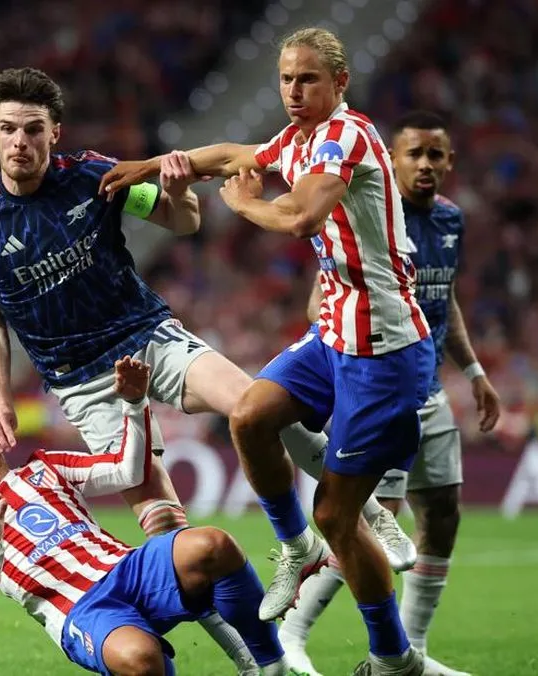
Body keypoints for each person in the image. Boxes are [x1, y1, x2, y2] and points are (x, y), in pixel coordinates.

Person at [0, 66, 368, 644]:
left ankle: (362, 517)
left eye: (34, 129)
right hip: (83, 383)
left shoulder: (97, 175)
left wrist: (173, 190)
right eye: (10, 129)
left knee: (257, 405)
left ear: (54, 132)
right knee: (168, 534)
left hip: (148, 336)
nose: (22, 141)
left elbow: (186, 219)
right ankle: (260, 658)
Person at [100, 27, 432, 675]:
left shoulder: (345, 136)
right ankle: (295, 547)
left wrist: (247, 203)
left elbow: (301, 216)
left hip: (383, 351)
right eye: (285, 78)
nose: (293, 90)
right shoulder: (300, 138)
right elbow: (233, 153)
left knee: (338, 514)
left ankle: (393, 657)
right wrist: (152, 165)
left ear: (340, 83)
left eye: (307, 78)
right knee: (250, 415)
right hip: (335, 332)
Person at [279, 111, 501, 676]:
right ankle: (292, 632)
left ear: (449, 162)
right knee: (365, 519)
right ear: (391, 159)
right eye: (414, 154)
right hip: (380, 383)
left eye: (435, 155)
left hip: (431, 385)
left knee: (443, 512)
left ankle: (414, 650)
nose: (425, 164)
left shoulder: (450, 219)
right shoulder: (371, 211)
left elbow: (444, 298)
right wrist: (346, 364)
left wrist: (475, 370)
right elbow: (320, 301)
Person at [0, 357, 296, 676]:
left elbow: (128, 472)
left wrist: (135, 404)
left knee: (213, 544)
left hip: (127, 570)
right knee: (141, 659)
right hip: (80, 609)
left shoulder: (44, 466)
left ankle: (269, 666)